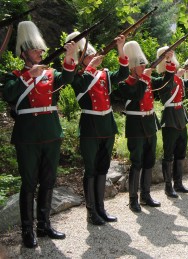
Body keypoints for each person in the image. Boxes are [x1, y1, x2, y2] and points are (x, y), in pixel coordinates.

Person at [3, 21, 76, 248]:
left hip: (51, 132)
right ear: (24, 53)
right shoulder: (14, 75)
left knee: (48, 180)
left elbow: (68, 78)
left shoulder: (50, 73)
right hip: (28, 135)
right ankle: (27, 231)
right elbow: (8, 94)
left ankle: (44, 225)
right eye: (36, 49)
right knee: (29, 182)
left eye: (41, 49)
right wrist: (28, 76)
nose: (41, 53)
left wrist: (70, 55)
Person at [67, 32, 129, 224]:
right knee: (91, 169)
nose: (93, 59)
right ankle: (91, 211)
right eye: (88, 56)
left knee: (103, 168)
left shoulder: (103, 74)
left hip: (106, 125)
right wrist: (90, 68)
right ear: (81, 60)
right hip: (90, 126)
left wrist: (120, 47)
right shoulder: (78, 77)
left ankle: (101, 208)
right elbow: (80, 87)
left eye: (93, 56)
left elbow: (123, 74)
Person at [118, 41, 171, 212]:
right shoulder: (125, 82)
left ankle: (146, 195)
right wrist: (145, 78)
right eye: (140, 64)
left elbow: (167, 81)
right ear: (132, 67)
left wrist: (168, 62)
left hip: (149, 123)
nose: (144, 66)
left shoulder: (146, 79)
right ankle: (133, 199)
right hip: (135, 125)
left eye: (144, 64)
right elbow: (136, 94)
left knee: (149, 161)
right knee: (137, 162)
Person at [156, 50, 188, 198]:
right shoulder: (164, 79)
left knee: (180, 152)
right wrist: (176, 76)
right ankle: (168, 187)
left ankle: (178, 183)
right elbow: (168, 87)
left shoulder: (177, 79)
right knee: (169, 154)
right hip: (170, 117)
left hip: (181, 116)